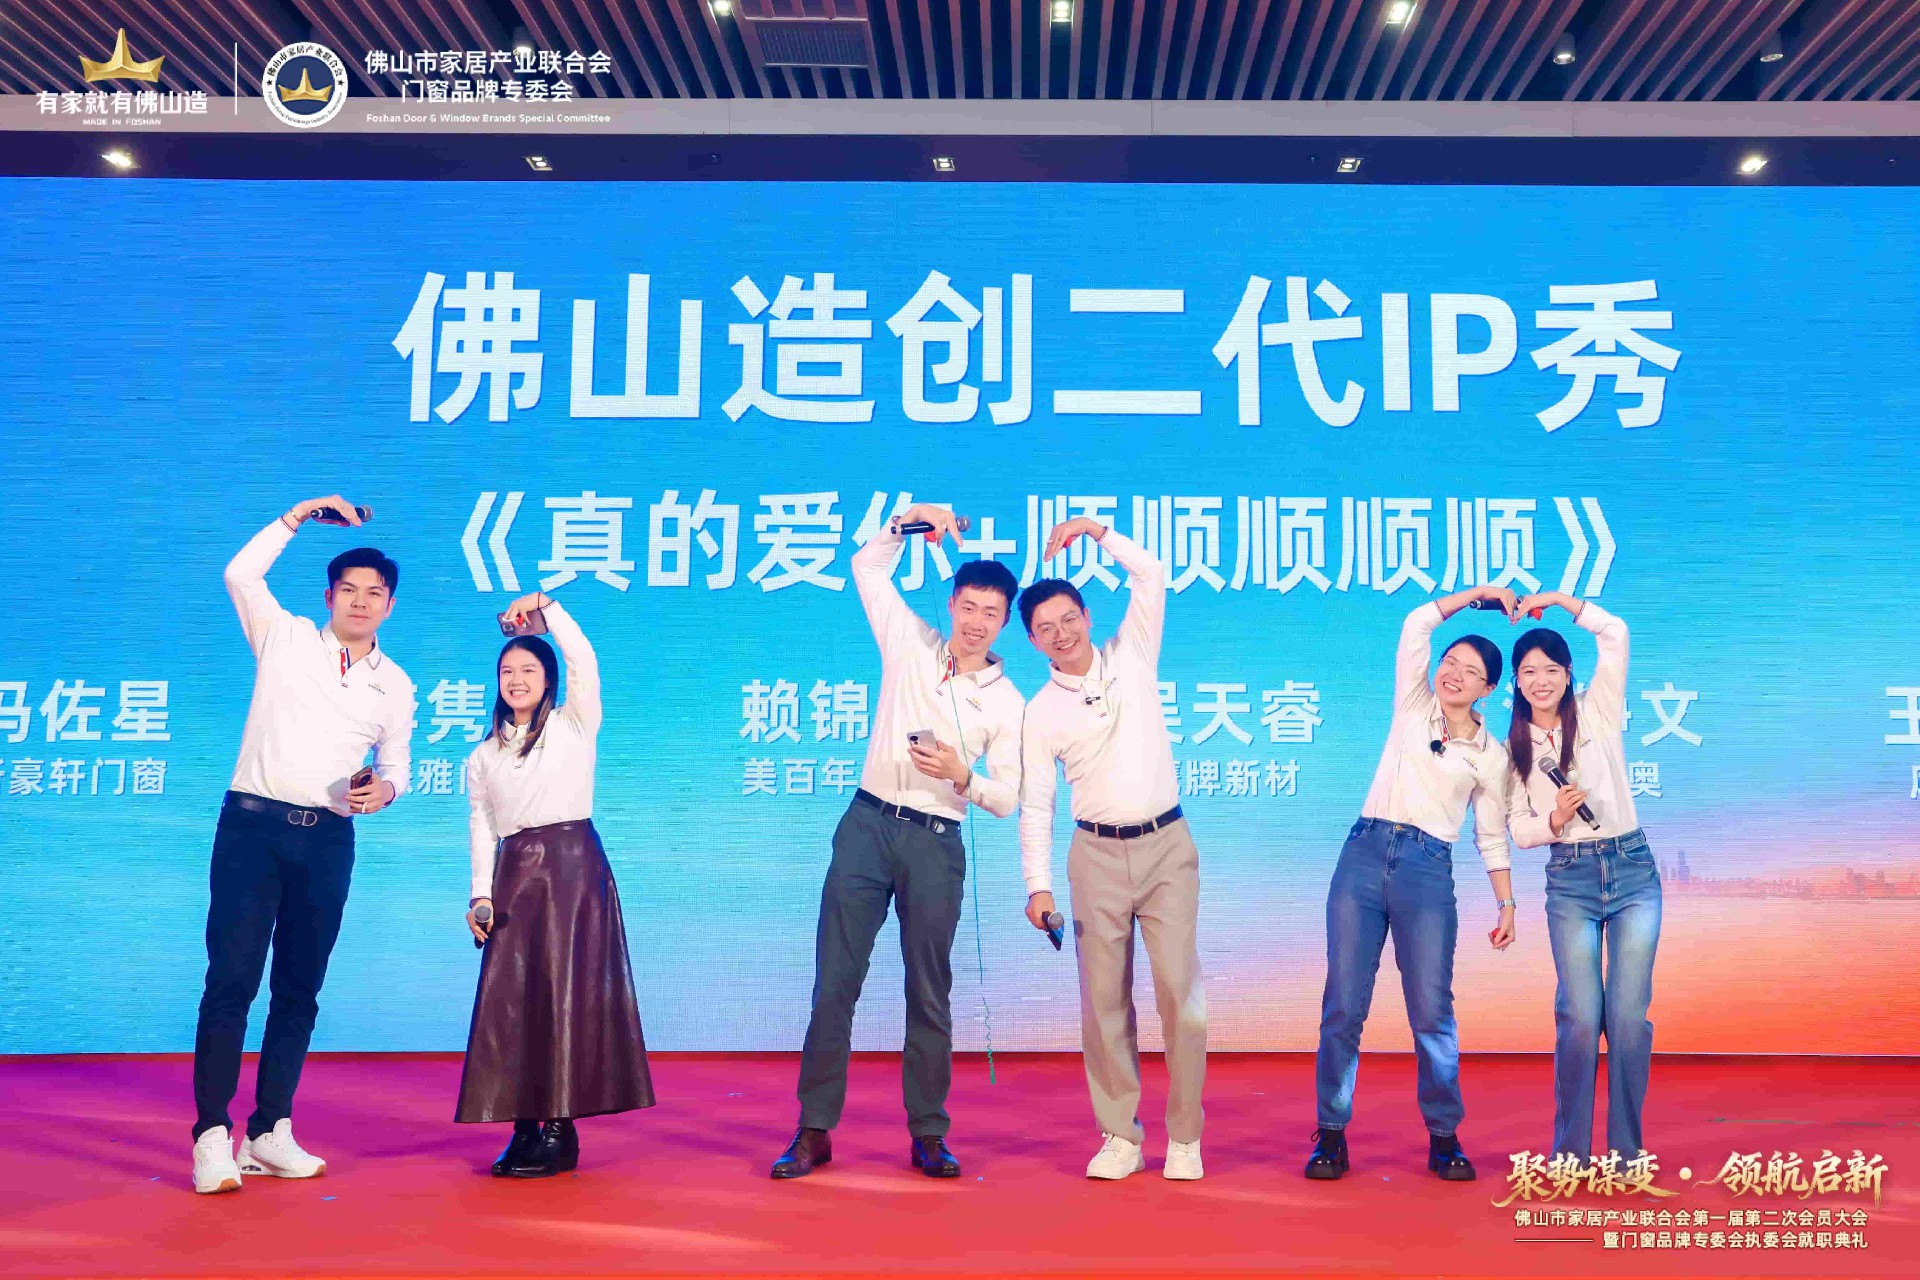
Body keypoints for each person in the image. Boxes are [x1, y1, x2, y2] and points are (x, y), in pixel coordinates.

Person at [772, 504, 1024, 1181]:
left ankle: (929, 1134)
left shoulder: (1008, 703)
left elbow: (1008, 797)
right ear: (952, 603)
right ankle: (814, 1129)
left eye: (991, 613)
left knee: (928, 992)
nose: (975, 621)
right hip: (867, 826)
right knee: (835, 984)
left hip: (936, 843)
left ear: (1005, 623)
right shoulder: (909, 641)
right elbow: (865, 566)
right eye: (967, 607)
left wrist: (963, 775)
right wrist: (905, 523)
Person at [190, 496, 415, 1195]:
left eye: (373, 593)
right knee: (231, 981)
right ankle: (211, 1136)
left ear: (389, 606)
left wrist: (385, 790)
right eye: (348, 589)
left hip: (328, 843)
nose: (360, 601)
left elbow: (397, 764)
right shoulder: (283, 638)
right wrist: (295, 518)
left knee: (299, 990)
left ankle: (269, 1131)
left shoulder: (396, 685)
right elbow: (239, 575)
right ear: (328, 597)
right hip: (252, 831)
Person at [1017, 516, 1207, 1182]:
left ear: (1087, 617)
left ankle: (1185, 1137)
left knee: (1181, 993)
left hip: (1167, 848)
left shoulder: (1133, 655)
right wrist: (1037, 885)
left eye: (1069, 618)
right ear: (1033, 640)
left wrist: (1096, 531)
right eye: (1046, 628)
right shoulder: (1039, 712)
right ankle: (1121, 1135)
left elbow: (1150, 574)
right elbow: (1036, 803)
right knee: (1103, 1003)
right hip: (1094, 856)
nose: (1061, 633)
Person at [1306, 585, 1518, 1185]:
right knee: (1343, 1005)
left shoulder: (1492, 756)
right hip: (1363, 855)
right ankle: (1330, 1134)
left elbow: (1491, 835)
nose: (1453, 674)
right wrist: (1479, 596)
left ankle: (1444, 1138)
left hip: (1427, 870)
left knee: (1431, 1010)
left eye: (1470, 671)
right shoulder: (1413, 703)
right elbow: (1417, 624)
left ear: (1488, 688)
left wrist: (1506, 902)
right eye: (1450, 662)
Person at [456, 591, 653, 1177]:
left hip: (571, 871)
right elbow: (482, 825)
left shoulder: (573, 725)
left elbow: (584, 659)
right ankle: (523, 1125)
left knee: (564, 995)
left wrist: (549, 608)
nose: (516, 680)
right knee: (513, 1001)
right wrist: (480, 893)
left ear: (548, 680)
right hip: (515, 875)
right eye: (507, 672)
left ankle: (560, 1130)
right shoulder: (483, 755)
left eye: (529, 670)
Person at [1504, 594, 1660, 1166]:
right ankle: (1569, 1153)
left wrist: (1556, 601)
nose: (1540, 681)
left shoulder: (1597, 712)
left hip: (1632, 870)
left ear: (1568, 674)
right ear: (1515, 683)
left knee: (1627, 1018)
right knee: (1579, 1017)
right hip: (1570, 881)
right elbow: (1517, 829)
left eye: (1551, 669)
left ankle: (1626, 1153)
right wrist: (1553, 820)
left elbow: (1614, 633)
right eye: (1528, 672)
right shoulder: (1512, 751)